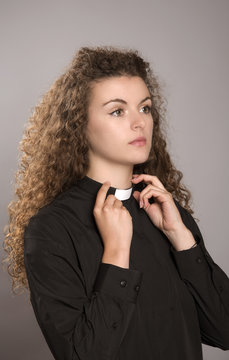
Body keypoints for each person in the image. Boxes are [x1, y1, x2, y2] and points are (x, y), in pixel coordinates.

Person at [2, 45, 229, 360]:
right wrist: (116, 255)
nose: (139, 123)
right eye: (118, 111)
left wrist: (183, 241)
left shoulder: (167, 213)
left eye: (145, 108)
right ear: (79, 125)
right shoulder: (51, 229)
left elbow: (224, 330)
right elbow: (83, 354)